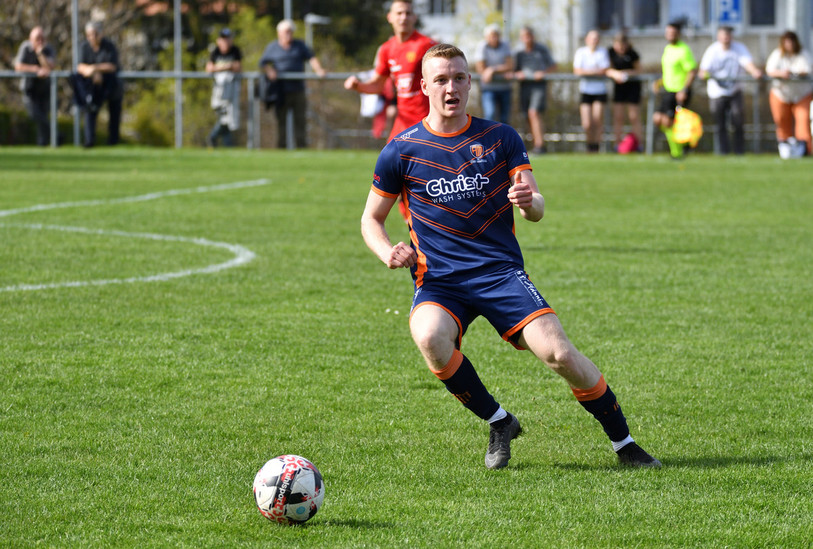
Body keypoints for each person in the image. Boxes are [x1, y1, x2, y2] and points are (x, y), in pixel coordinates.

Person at [360, 43, 661, 470]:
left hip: (499, 274)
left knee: (560, 355)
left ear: (470, 82)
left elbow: (536, 207)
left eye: (459, 78)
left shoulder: (501, 138)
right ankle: (500, 421)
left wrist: (528, 201)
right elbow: (371, 219)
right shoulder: (401, 150)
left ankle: (625, 444)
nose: (451, 88)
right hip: (440, 281)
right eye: (441, 80)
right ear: (424, 86)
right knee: (429, 337)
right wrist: (387, 250)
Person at [343, 0, 435, 142]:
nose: (403, 17)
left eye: (408, 13)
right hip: (402, 122)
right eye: (399, 13)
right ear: (390, 17)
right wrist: (357, 85)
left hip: (427, 122)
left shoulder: (426, 45)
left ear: (414, 17)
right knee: (389, 155)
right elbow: (377, 85)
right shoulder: (386, 49)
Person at [259, 19, 327, 149]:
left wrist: (319, 70)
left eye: (290, 31)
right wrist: (270, 70)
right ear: (279, 33)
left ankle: (301, 148)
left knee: (300, 121)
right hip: (281, 91)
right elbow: (263, 63)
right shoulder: (272, 47)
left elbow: (311, 58)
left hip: (298, 90)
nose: (288, 34)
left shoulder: (299, 45)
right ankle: (281, 148)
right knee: (281, 122)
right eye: (286, 31)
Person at [698, 26, 763, 155]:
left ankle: (739, 151)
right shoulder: (712, 50)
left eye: (728, 35)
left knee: (738, 120)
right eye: (723, 35)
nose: (725, 38)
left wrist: (755, 71)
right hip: (717, 92)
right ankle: (723, 151)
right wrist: (703, 74)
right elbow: (703, 69)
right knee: (720, 123)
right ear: (718, 36)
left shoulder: (739, 48)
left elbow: (747, 63)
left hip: (735, 91)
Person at [72, 21, 122, 148]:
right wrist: (93, 73)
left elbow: (112, 66)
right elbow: (80, 66)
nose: (92, 37)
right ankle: (89, 141)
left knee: (114, 113)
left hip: (110, 85)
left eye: (95, 34)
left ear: (101, 33)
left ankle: (113, 141)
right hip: (91, 86)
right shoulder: (84, 46)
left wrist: (95, 69)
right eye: (89, 34)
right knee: (90, 109)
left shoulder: (109, 46)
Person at [652, 22, 698, 158]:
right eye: (668, 32)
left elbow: (691, 71)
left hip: (679, 91)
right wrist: (659, 82)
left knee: (668, 121)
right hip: (668, 91)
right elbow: (670, 71)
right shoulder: (667, 49)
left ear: (678, 34)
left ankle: (677, 152)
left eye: (673, 33)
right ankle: (683, 145)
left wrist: (684, 90)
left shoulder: (684, 50)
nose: (670, 35)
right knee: (657, 119)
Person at [765, 30, 812, 157]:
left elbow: (807, 69)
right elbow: (769, 70)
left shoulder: (803, 54)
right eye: (786, 42)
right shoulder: (778, 54)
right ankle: (785, 150)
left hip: (801, 94)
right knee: (781, 122)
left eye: (791, 42)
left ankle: (805, 150)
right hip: (781, 94)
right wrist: (782, 73)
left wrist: (793, 73)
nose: (789, 45)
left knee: (803, 122)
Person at [514, 26, 557, 154]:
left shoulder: (542, 49)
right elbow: (514, 69)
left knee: (534, 113)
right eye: (524, 36)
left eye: (529, 36)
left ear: (533, 36)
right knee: (527, 115)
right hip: (524, 86)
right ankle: (534, 145)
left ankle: (540, 145)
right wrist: (517, 74)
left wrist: (543, 73)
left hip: (538, 86)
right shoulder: (518, 52)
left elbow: (553, 65)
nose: (527, 39)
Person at [13, 26, 56, 146]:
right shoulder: (25, 47)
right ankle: (56, 134)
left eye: (42, 38)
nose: (40, 41)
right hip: (29, 88)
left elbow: (49, 67)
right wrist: (35, 70)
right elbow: (18, 66)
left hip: (44, 89)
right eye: (37, 38)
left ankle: (42, 143)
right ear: (30, 38)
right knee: (35, 115)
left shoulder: (48, 49)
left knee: (43, 115)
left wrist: (40, 53)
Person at [573, 30, 610, 153]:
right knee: (587, 123)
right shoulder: (581, 52)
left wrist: (588, 72)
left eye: (596, 38)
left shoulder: (603, 52)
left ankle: (596, 147)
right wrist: (594, 72)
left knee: (597, 120)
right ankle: (590, 145)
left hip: (600, 91)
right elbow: (577, 70)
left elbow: (604, 69)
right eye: (592, 38)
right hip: (586, 91)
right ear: (587, 39)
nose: (594, 41)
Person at [606, 32, 643, 152]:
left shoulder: (632, 54)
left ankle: (639, 144)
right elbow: (607, 68)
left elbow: (638, 70)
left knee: (634, 117)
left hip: (633, 87)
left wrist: (626, 74)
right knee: (618, 117)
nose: (621, 48)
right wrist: (615, 74)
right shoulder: (610, 53)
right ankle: (617, 144)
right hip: (619, 88)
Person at [205, 28, 242, 147]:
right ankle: (214, 137)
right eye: (223, 39)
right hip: (219, 91)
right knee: (223, 117)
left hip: (232, 91)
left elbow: (237, 67)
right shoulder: (215, 51)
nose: (226, 41)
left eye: (228, 39)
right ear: (219, 40)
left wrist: (219, 68)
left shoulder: (235, 51)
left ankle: (223, 142)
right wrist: (227, 66)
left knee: (229, 118)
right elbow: (209, 68)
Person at [474, 24, 514, 125]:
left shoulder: (505, 45)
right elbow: (480, 68)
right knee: (490, 115)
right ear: (486, 37)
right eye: (491, 36)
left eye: (496, 35)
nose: (494, 38)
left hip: (505, 87)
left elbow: (510, 65)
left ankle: (504, 136)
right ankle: (489, 136)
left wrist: (492, 69)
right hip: (488, 88)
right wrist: (501, 69)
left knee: (504, 119)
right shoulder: (482, 46)